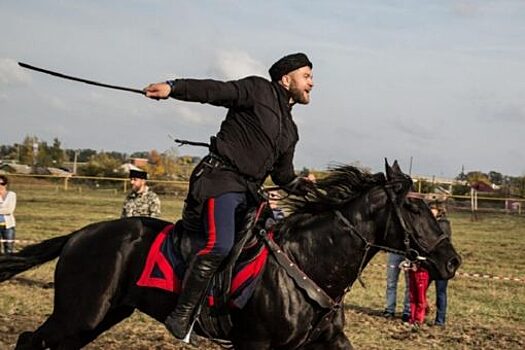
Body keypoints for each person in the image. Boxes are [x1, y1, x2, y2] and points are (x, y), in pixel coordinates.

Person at [143, 52, 316, 339]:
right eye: (307, 76)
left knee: (273, 245)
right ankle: (182, 314)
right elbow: (215, 91)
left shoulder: (291, 131)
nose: (312, 83)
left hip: (249, 195)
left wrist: (303, 185)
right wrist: (173, 87)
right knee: (220, 245)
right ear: (286, 80)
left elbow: (283, 176)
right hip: (218, 181)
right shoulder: (257, 89)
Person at [430, 202, 452, 326]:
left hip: (442, 263)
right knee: (421, 290)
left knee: (441, 292)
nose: (430, 211)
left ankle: (440, 320)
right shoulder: (429, 222)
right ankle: (419, 314)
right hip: (430, 262)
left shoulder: (443, 224)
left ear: (439, 210)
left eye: (432, 209)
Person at [383, 253, 411, 322]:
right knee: (391, 283)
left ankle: (407, 311)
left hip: (409, 254)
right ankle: (390, 309)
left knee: (410, 285)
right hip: (394, 253)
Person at [0, 175, 17, 255]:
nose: (0, 186)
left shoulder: (12, 195)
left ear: (5, 184)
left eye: (2, 183)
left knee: (9, 248)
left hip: (8, 226)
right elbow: (5, 210)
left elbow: (10, 210)